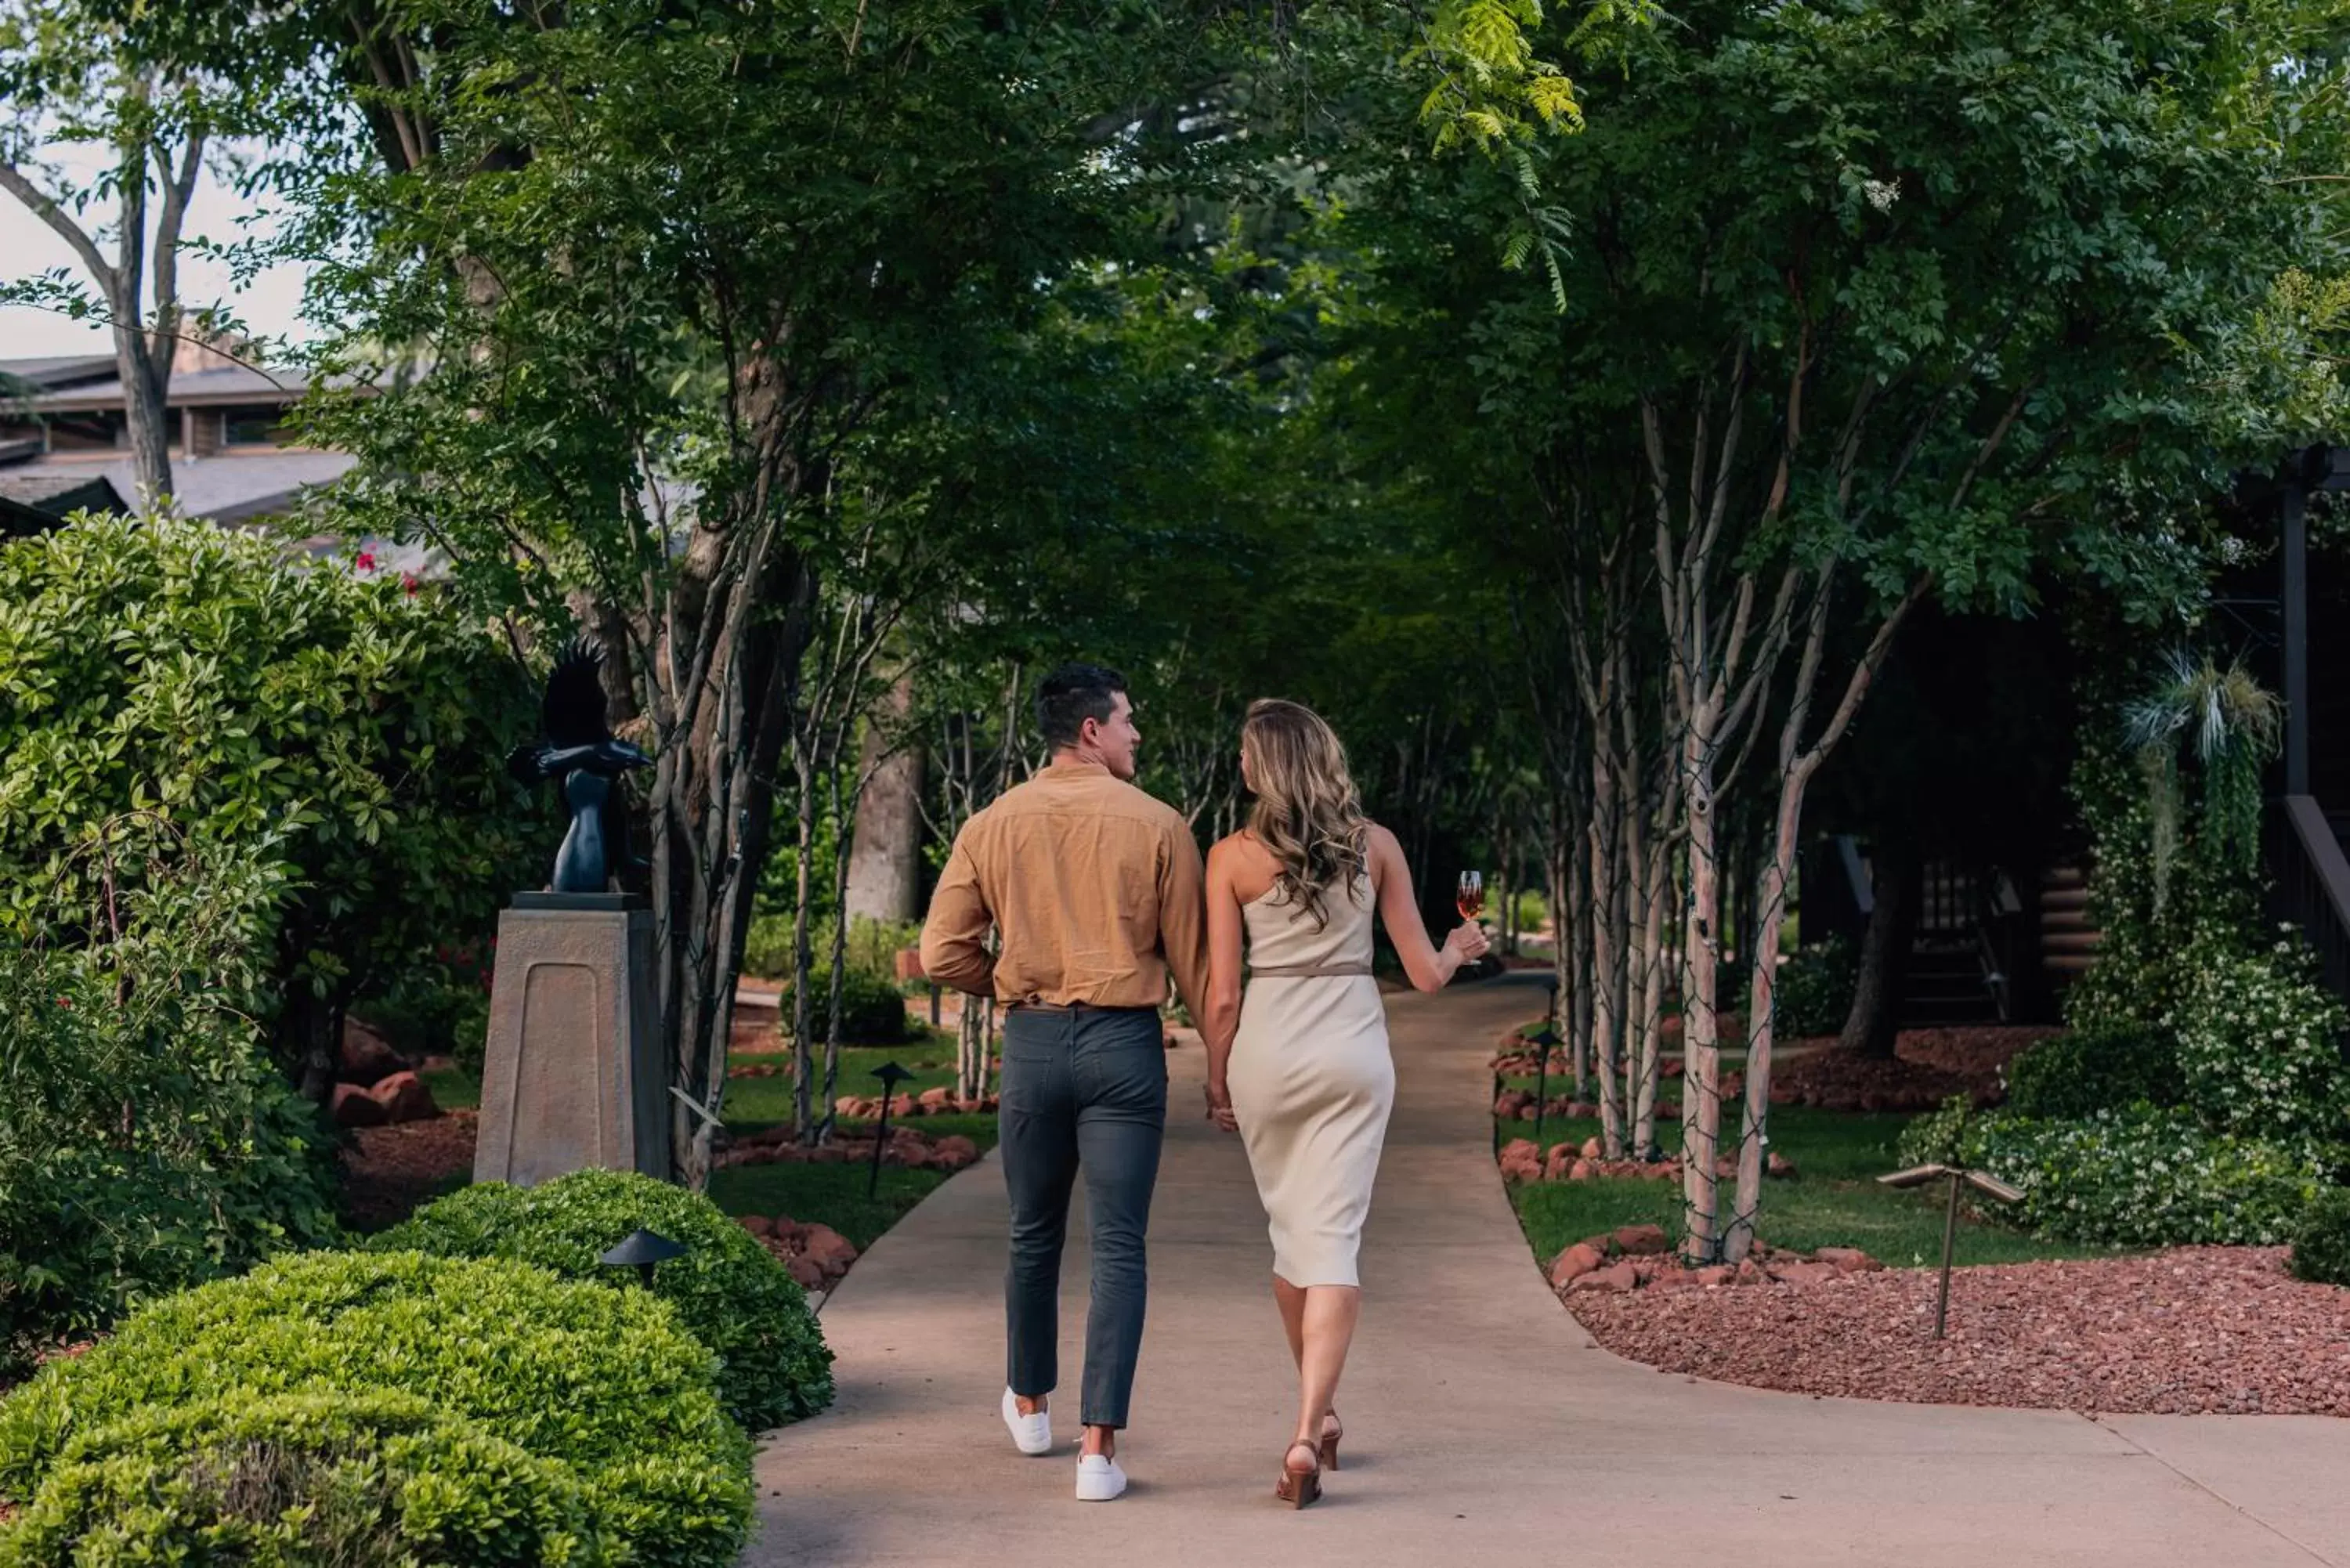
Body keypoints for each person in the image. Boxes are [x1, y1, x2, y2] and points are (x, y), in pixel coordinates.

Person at [919, 663, 1209, 1504]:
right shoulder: (1160, 825)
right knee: (1120, 1243)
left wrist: (1007, 982)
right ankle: (1097, 1452)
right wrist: (1222, 1067)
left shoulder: (992, 823)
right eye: (1128, 722)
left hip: (1035, 1044)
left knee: (1031, 1232)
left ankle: (1029, 1402)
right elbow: (1195, 969)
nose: (1136, 736)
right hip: (1125, 1045)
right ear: (1091, 730)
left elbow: (942, 952)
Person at [1199, 698, 1488, 1508]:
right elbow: (1427, 974)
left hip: (1269, 1050)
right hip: (1354, 1052)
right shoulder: (1377, 845)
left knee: (1295, 1239)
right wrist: (1461, 946)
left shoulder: (1229, 857)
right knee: (1328, 1242)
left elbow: (1224, 995)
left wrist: (1217, 1073)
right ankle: (1310, 1426)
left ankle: (1310, 1421)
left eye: (1249, 756)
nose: (1243, 767)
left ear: (1268, 765)